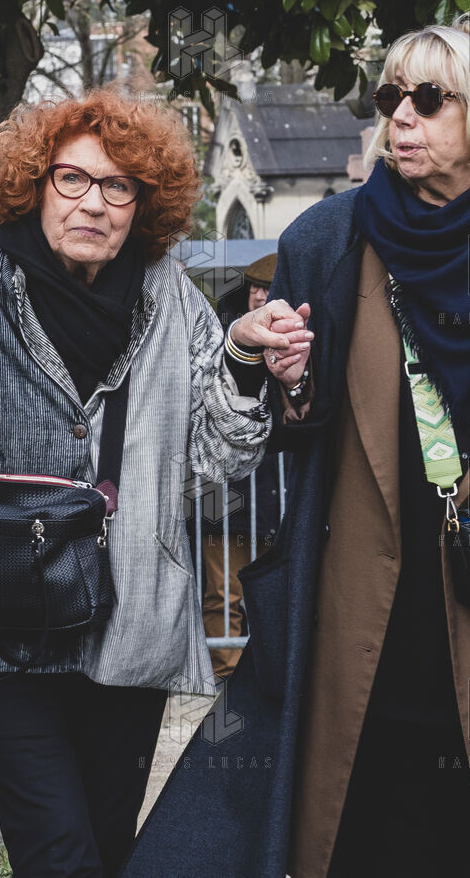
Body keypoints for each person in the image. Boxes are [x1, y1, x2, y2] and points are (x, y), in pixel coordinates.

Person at [127, 16, 470, 878]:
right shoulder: (328, 239)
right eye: (390, 98)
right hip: (362, 613)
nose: (400, 117)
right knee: (359, 826)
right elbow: (298, 425)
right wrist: (285, 377)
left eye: (428, 98)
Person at [0, 89, 305, 877]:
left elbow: (215, 462)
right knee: (59, 852)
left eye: (119, 186)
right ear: (35, 183)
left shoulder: (171, 298)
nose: (94, 202)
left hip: (128, 624)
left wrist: (245, 361)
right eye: (72, 178)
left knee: (106, 850)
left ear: (143, 203)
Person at [200, 252, 283, 680]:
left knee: (273, 592)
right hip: (224, 500)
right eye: (254, 288)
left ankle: (269, 673)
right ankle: (226, 675)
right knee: (223, 592)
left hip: (272, 497)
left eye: (268, 289)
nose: (259, 296)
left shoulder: (293, 343)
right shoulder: (219, 340)